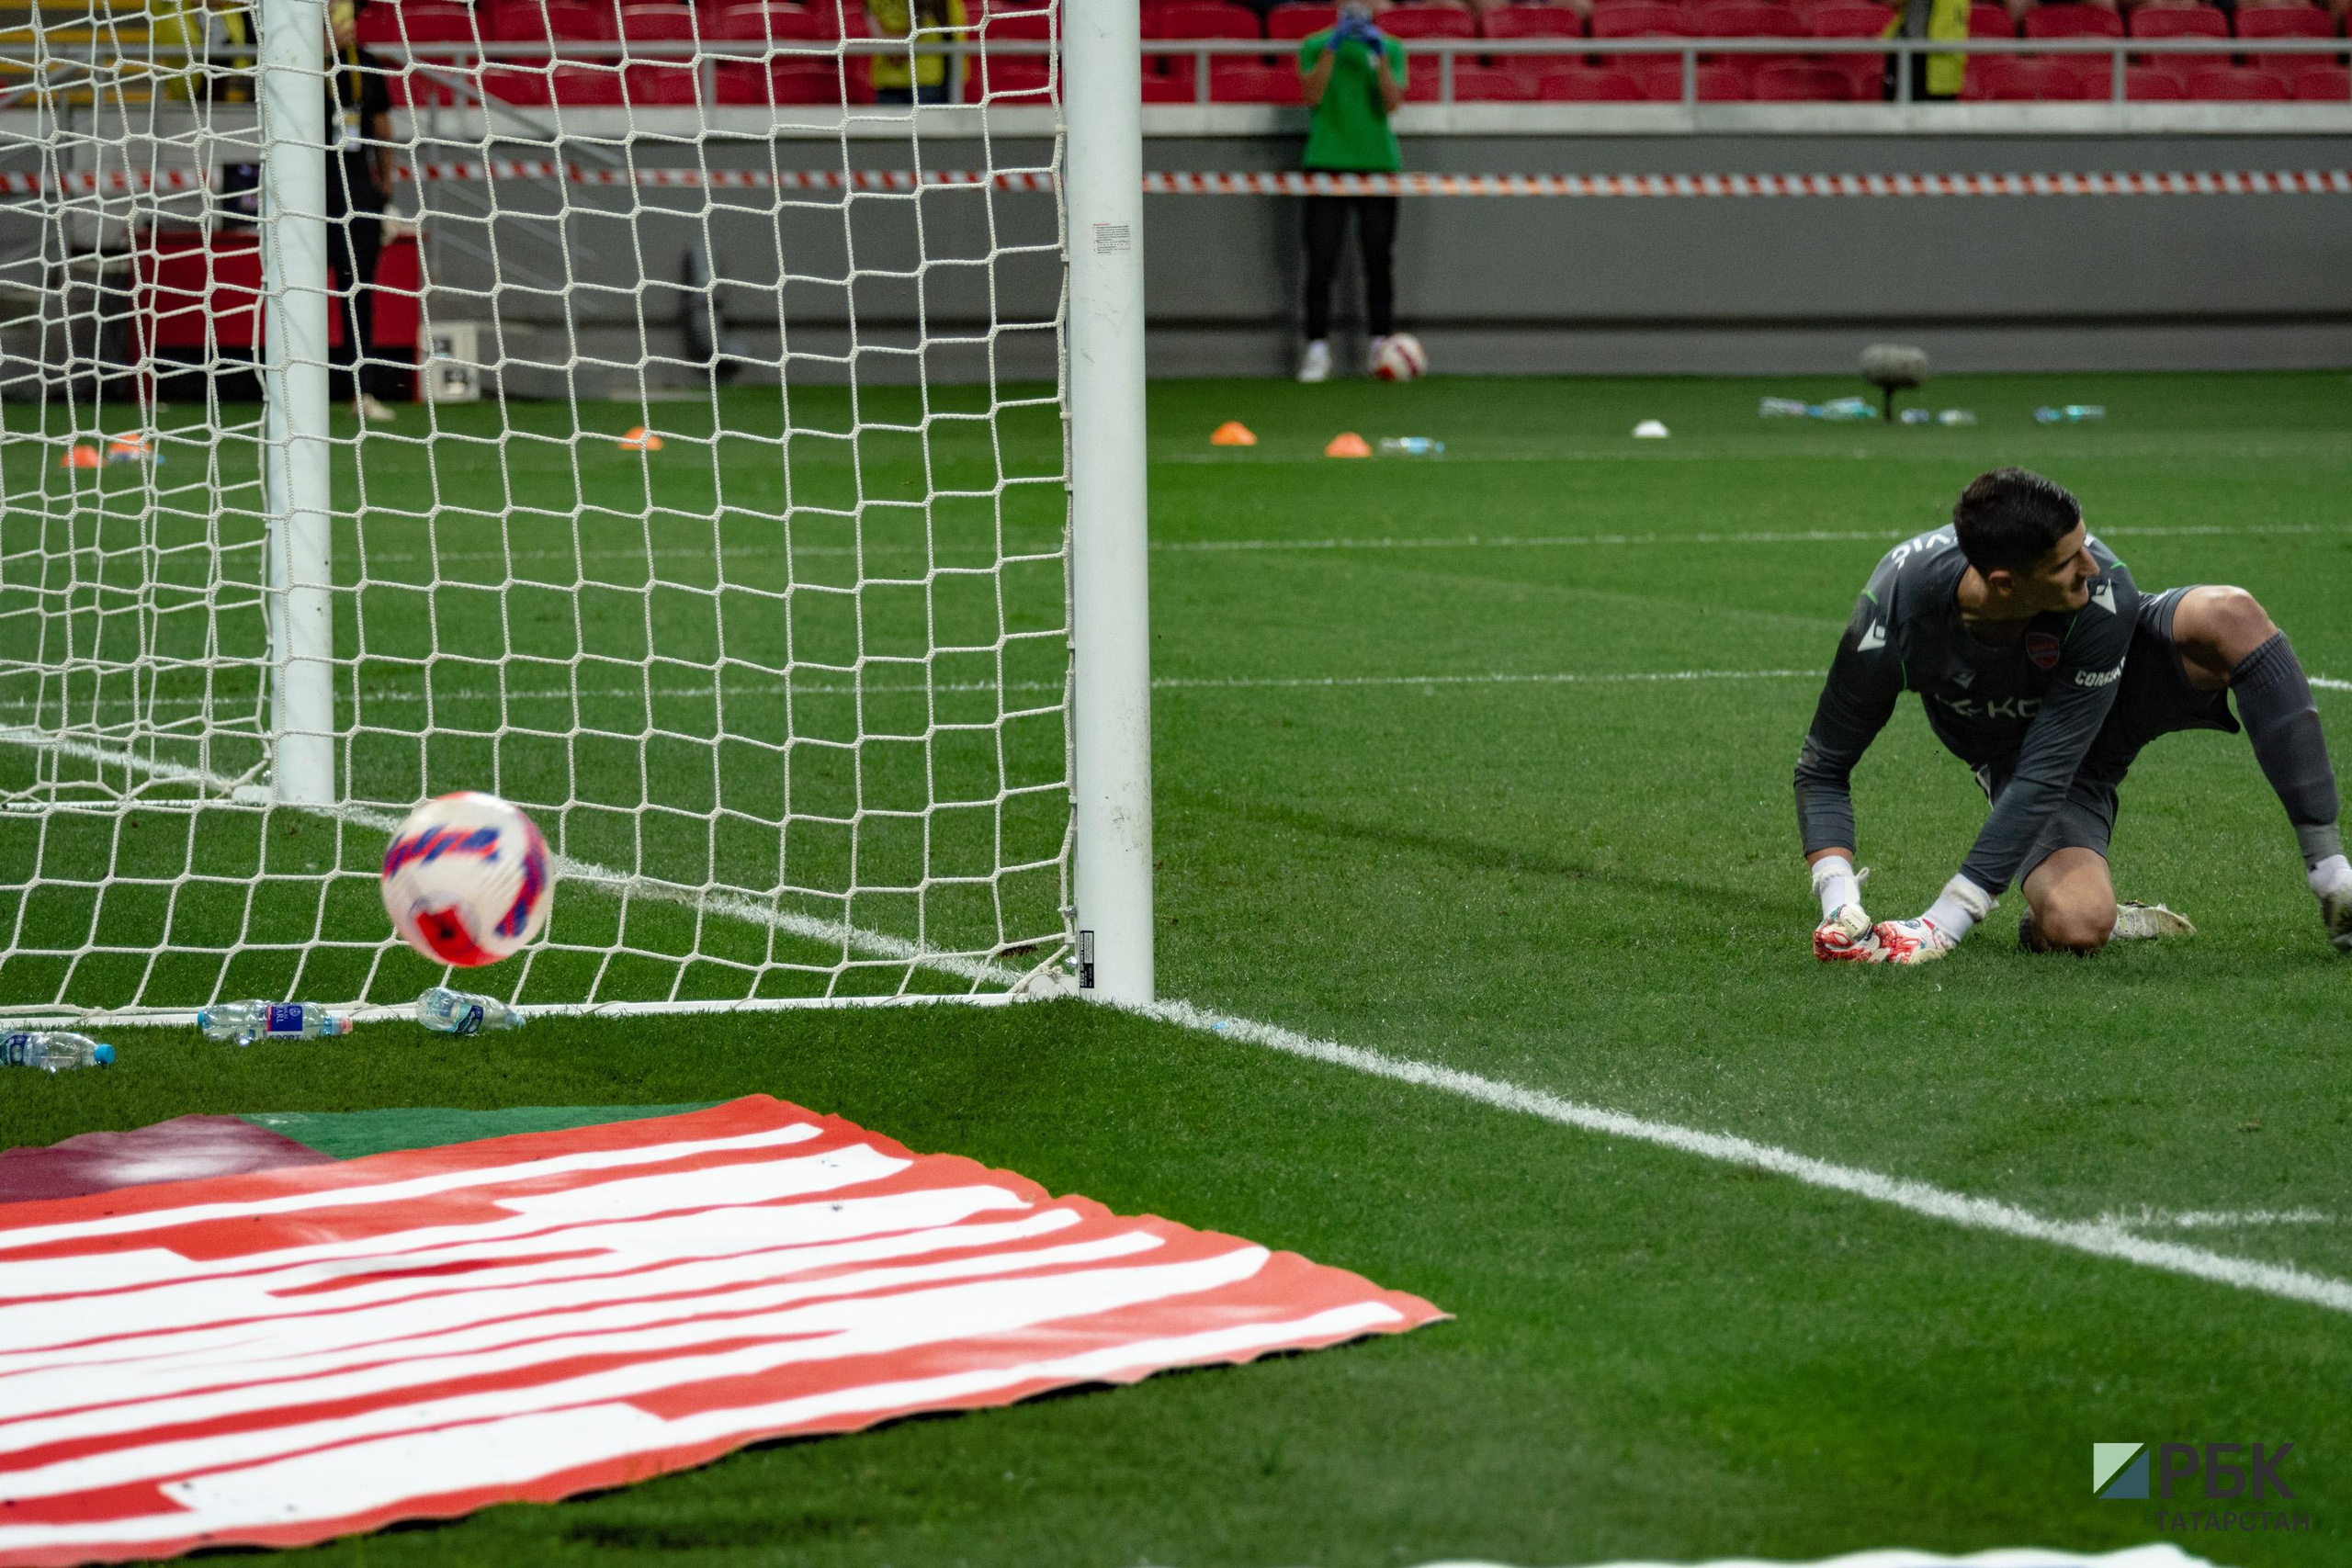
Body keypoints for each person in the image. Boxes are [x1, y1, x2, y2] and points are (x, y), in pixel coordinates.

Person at [1795, 468, 2352, 964]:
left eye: (2085, 544)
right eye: (2068, 562)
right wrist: (1840, 904)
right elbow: (1823, 769)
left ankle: (2334, 880)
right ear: (2005, 584)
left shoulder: (2104, 593)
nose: (2094, 565)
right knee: (2079, 924)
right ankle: (2078, 910)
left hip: (2120, 677)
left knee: (2231, 614)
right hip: (2023, 749)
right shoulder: (1892, 618)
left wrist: (1945, 922)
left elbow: (2050, 765)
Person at [1295, 0, 1405, 385]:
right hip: (1327, 161)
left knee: (1378, 260)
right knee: (1320, 260)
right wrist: (1333, 47)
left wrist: (1378, 57)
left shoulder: (1390, 47)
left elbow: (1392, 102)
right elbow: (1312, 95)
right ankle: (1317, 348)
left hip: (1377, 165)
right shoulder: (1313, 45)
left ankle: (1381, 345)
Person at [329, 0, 397, 423]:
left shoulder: (366, 66)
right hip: (307, 192)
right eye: (340, 19)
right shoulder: (298, 72)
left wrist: (384, 187)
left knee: (358, 292)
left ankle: (362, 390)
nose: (348, 26)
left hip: (356, 191)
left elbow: (382, 127)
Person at [866, 0, 965, 106]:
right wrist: (893, 47)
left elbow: (952, 26)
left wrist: (891, 47)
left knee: (927, 120)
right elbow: (869, 13)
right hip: (890, 77)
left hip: (924, 76)